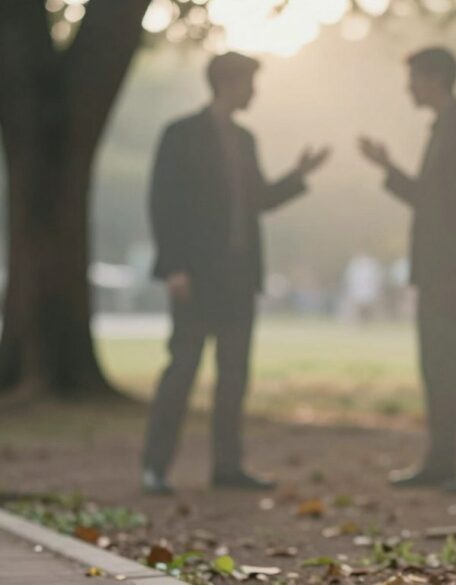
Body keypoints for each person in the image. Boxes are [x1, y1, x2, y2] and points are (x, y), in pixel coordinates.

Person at [142, 52, 330, 495]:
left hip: (238, 277)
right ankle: (154, 465)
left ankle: (228, 466)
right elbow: (163, 203)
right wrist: (174, 266)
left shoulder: (246, 139)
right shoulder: (181, 134)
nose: (254, 92)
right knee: (182, 371)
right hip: (195, 277)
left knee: (233, 376)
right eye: (249, 83)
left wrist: (298, 175)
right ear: (228, 83)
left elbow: (259, 200)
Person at [358, 47, 456, 492]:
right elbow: (434, 198)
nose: (409, 87)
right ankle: (442, 459)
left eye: (415, 77)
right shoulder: (448, 128)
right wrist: (388, 168)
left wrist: (389, 170)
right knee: (437, 364)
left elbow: (455, 207)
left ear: (436, 76)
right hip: (441, 269)